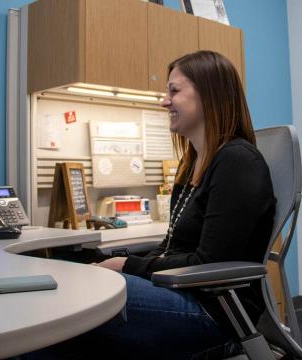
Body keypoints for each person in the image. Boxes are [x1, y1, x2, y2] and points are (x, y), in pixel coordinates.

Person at [25, 50, 275, 359]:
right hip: (182, 297)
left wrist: (126, 265)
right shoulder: (193, 165)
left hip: (217, 317)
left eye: (174, 91)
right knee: (56, 324)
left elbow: (208, 263)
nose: (164, 101)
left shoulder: (237, 161)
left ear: (209, 94)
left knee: (77, 300)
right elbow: (172, 247)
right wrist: (124, 262)